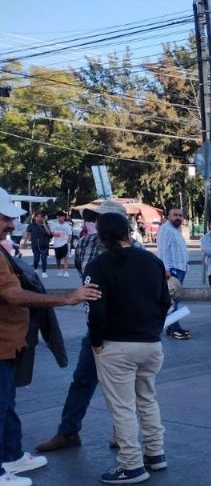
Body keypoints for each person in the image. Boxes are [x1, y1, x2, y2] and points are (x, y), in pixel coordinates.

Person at [0, 187, 102, 486]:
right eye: (5, 218)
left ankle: (11, 455)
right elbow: (13, 295)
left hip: (8, 345)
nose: (11, 225)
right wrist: (67, 298)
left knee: (6, 404)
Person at [35, 201, 142, 454]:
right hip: (95, 327)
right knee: (82, 380)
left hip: (124, 330)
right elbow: (87, 283)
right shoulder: (84, 244)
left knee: (123, 386)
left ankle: (122, 433)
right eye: (97, 218)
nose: (99, 224)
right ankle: (68, 432)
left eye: (105, 219)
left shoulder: (135, 251)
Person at [84, 212, 170, 484]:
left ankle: (131, 465)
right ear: (127, 232)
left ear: (102, 235)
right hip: (150, 343)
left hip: (116, 345)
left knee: (122, 407)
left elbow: (94, 309)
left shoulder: (99, 265)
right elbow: (165, 301)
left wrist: (96, 341)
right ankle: (155, 454)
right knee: (147, 399)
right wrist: (153, 329)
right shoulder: (152, 261)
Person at [156, 207, 190, 340]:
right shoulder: (166, 229)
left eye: (180, 215)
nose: (178, 218)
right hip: (173, 270)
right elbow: (162, 251)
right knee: (173, 301)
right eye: (175, 215)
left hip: (180, 268)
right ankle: (175, 328)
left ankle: (171, 327)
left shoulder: (175, 229)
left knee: (175, 300)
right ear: (168, 216)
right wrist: (165, 269)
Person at [24, 212, 52, 278]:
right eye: (38, 217)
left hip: (44, 245)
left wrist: (44, 224)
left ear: (43, 218)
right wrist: (24, 242)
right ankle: (35, 269)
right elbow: (27, 234)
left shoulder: (46, 225)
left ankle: (44, 272)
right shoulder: (31, 225)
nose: (39, 218)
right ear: (35, 218)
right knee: (36, 258)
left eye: (41, 217)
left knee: (44, 258)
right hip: (35, 244)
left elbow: (49, 233)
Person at [47, 211, 72, 278]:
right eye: (58, 217)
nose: (59, 218)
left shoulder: (67, 225)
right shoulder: (54, 224)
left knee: (65, 258)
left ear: (64, 217)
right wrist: (54, 234)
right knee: (58, 259)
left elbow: (70, 235)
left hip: (64, 243)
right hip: (57, 244)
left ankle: (66, 271)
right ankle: (59, 270)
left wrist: (67, 243)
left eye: (60, 217)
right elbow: (51, 232)